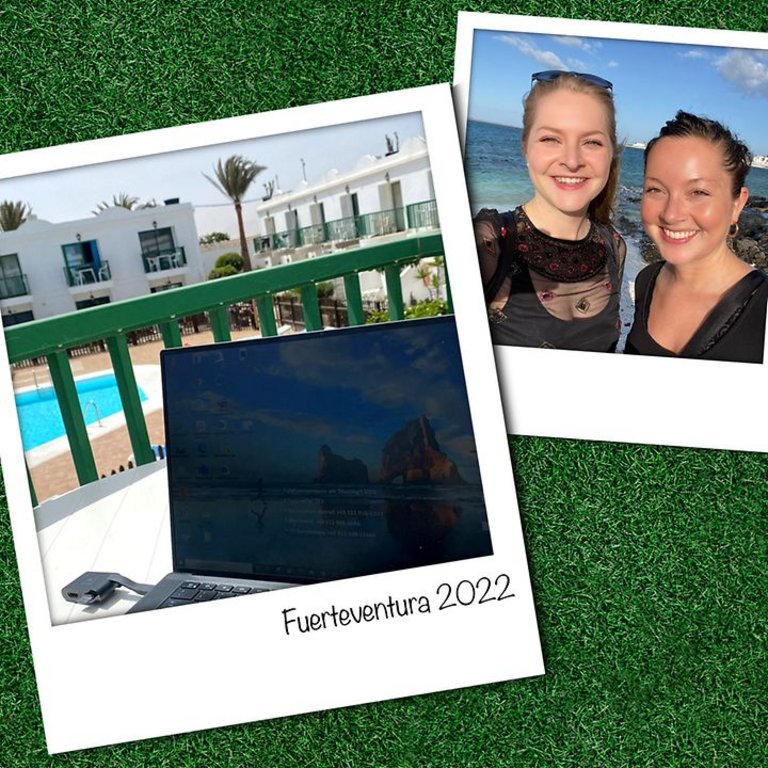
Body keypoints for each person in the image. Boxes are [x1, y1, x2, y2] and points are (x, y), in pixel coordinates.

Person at [474, 70, 626, 351]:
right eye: (550, 139)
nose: (571, 161)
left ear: (610, 153)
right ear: (525, 148)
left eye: (591, 142)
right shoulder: (489, 243)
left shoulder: (614, 246)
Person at [625, 111, 768, 363]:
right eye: (655, 189)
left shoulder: (761, 307)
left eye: (698, 192)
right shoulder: (646, 281)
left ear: (737, 204)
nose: (671, 214)